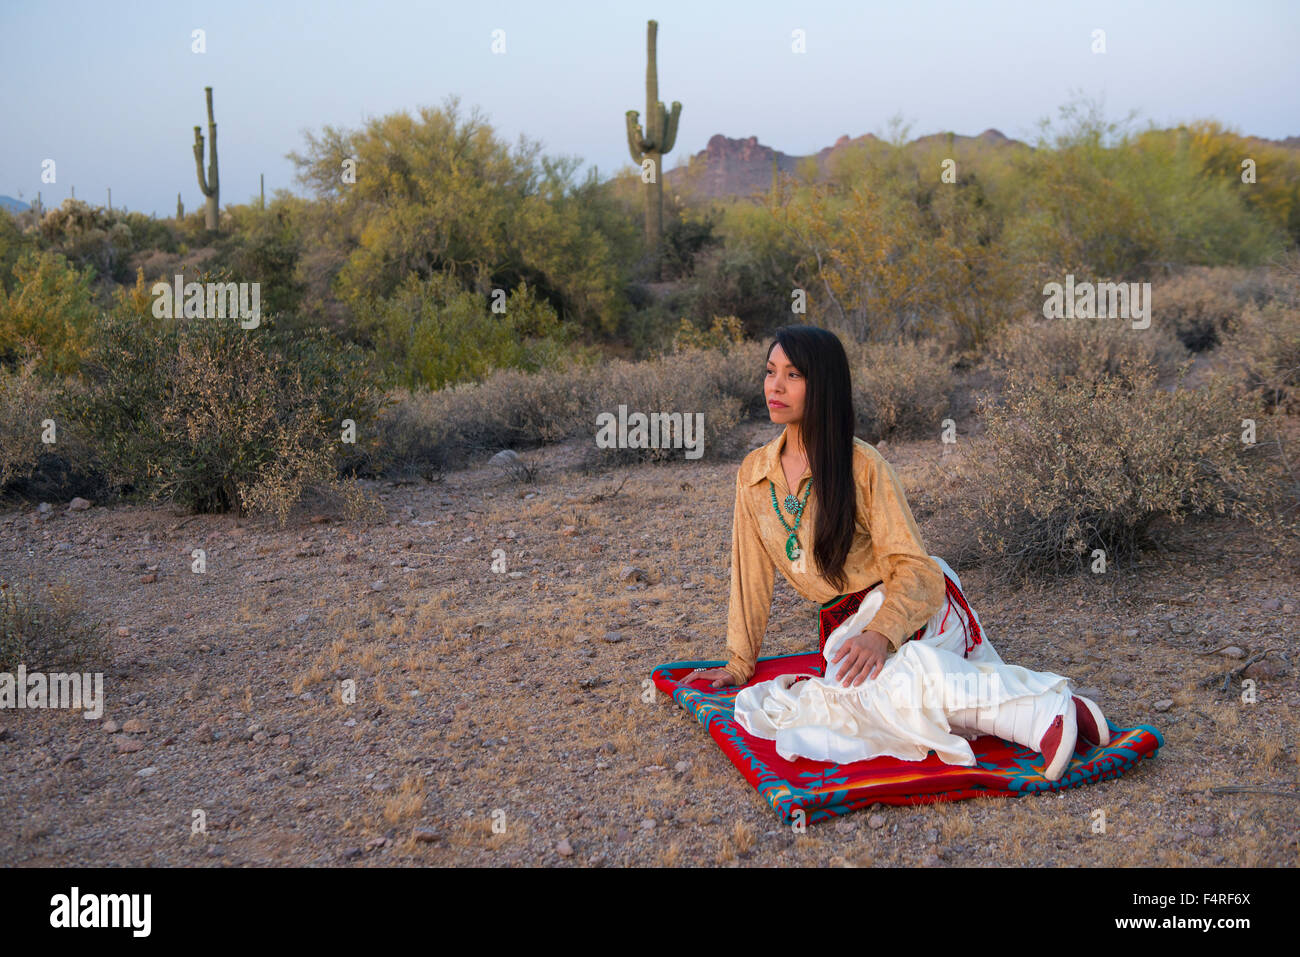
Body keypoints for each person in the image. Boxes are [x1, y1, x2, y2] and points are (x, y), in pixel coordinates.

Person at [678, 325, 1109, 781]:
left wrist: (881, 635)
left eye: (793, 374)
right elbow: (749, 577)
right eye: (770, 372)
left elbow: (915, 569)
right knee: (850, 708)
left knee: (896, 684)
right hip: (846, 630)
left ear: (822, 385)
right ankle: (1059, 706)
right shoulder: (754, 473)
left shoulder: (862, 465)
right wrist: (738, 663)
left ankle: (1044, 713)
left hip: (913, 607)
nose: (775, 386)